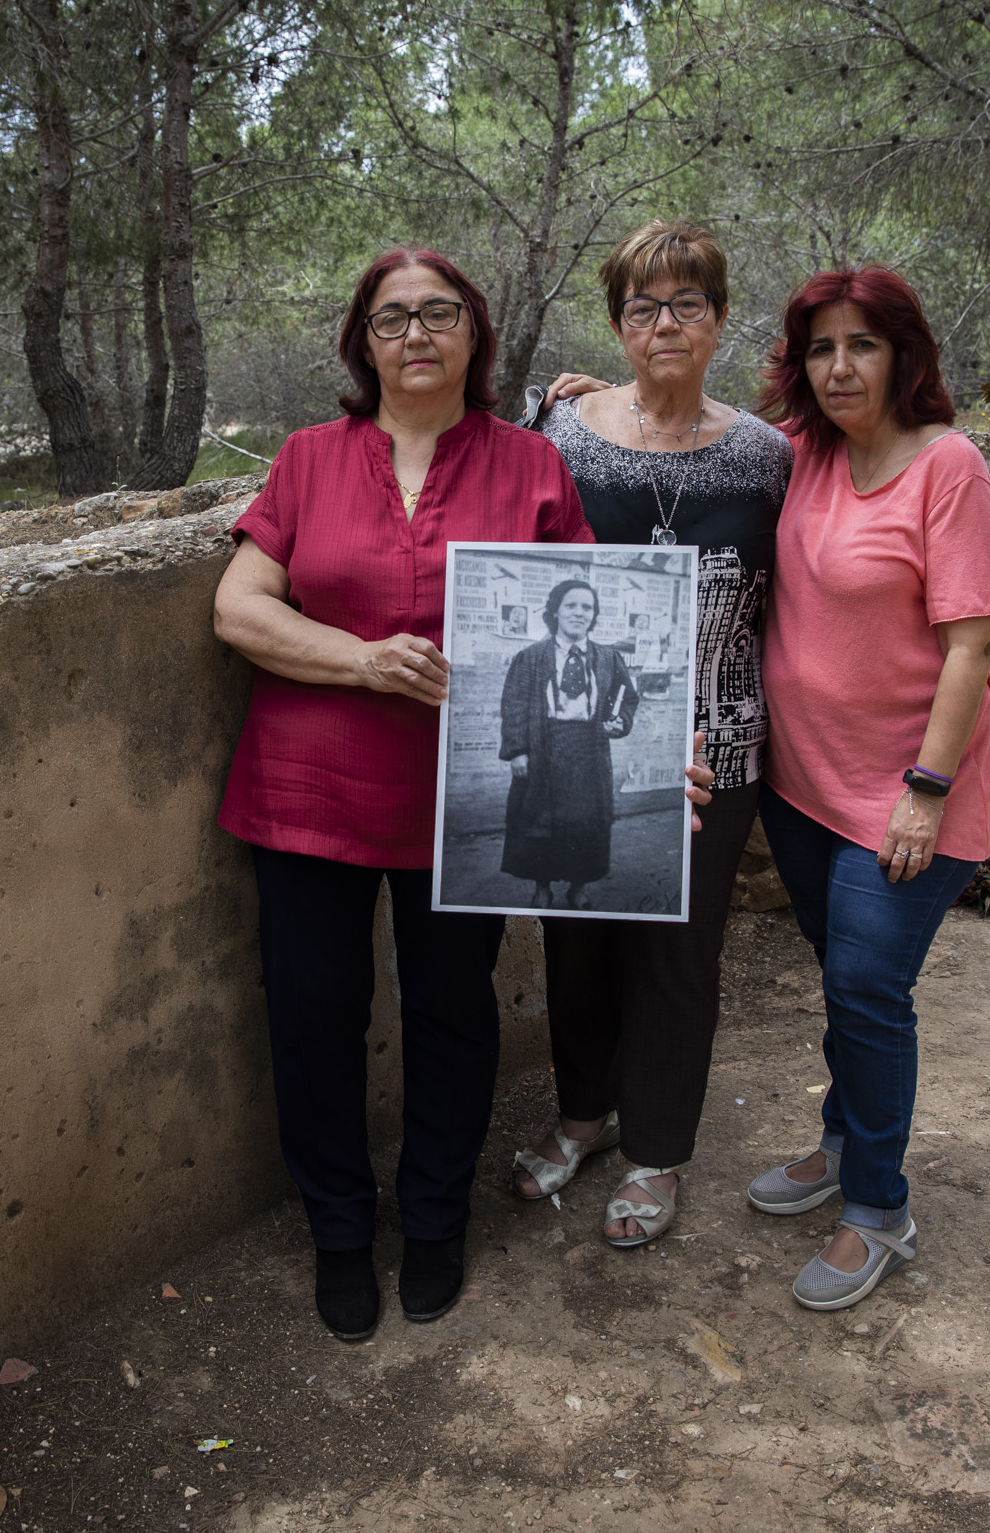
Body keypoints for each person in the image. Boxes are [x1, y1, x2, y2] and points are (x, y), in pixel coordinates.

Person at [210, 247, 608, 1343]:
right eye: (391, 318)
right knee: (312, 1015)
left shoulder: (530, 463)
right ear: (362, 341)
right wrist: (362, 661)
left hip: (470, 798)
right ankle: (341, 1230)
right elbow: (240, 609)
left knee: (449, 1012)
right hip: (306, 794)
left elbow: (596, 611)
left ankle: (434, 1217)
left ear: (474, 335)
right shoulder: (305, 459)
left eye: (439, 313)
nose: (416, 333)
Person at [741, 266, 990, 1311]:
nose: (839, 365)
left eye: (861, 343)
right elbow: (703, 434)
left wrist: (925, 786)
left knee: (867, 986)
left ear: (905, 353)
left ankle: (878, 1208)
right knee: (840, 973)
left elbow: (972, 645)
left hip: (911, 790)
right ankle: (839, 1132)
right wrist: (589, 399)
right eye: (820, 347)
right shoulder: (805, 453)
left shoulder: (949, 469)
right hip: (804, 780)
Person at [509, 220, 793, 1248]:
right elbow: (518, 563)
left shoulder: (770, 458)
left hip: (715, 747)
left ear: (719, 319)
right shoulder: (564, 432)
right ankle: (584, 1114)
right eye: (641, 306)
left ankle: (656, 1149)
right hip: (581, 744)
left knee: (678, 952)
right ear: (618, 324)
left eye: (685, 303)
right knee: (576, 937)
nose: (663, 322)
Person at [498, 578, 640, 909]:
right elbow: (514, 705)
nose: (579, 613)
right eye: (571, 605)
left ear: (594, 615)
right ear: (556, 611)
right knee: (542, 821)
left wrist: (621, 722)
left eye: (586, 607)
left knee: (587, 823)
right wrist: (517, 751)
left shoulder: (609, 658)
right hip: (545, 747)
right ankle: (542, 887)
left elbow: (627, 699)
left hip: (590, 750)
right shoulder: (531, 657)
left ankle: (579, 888)